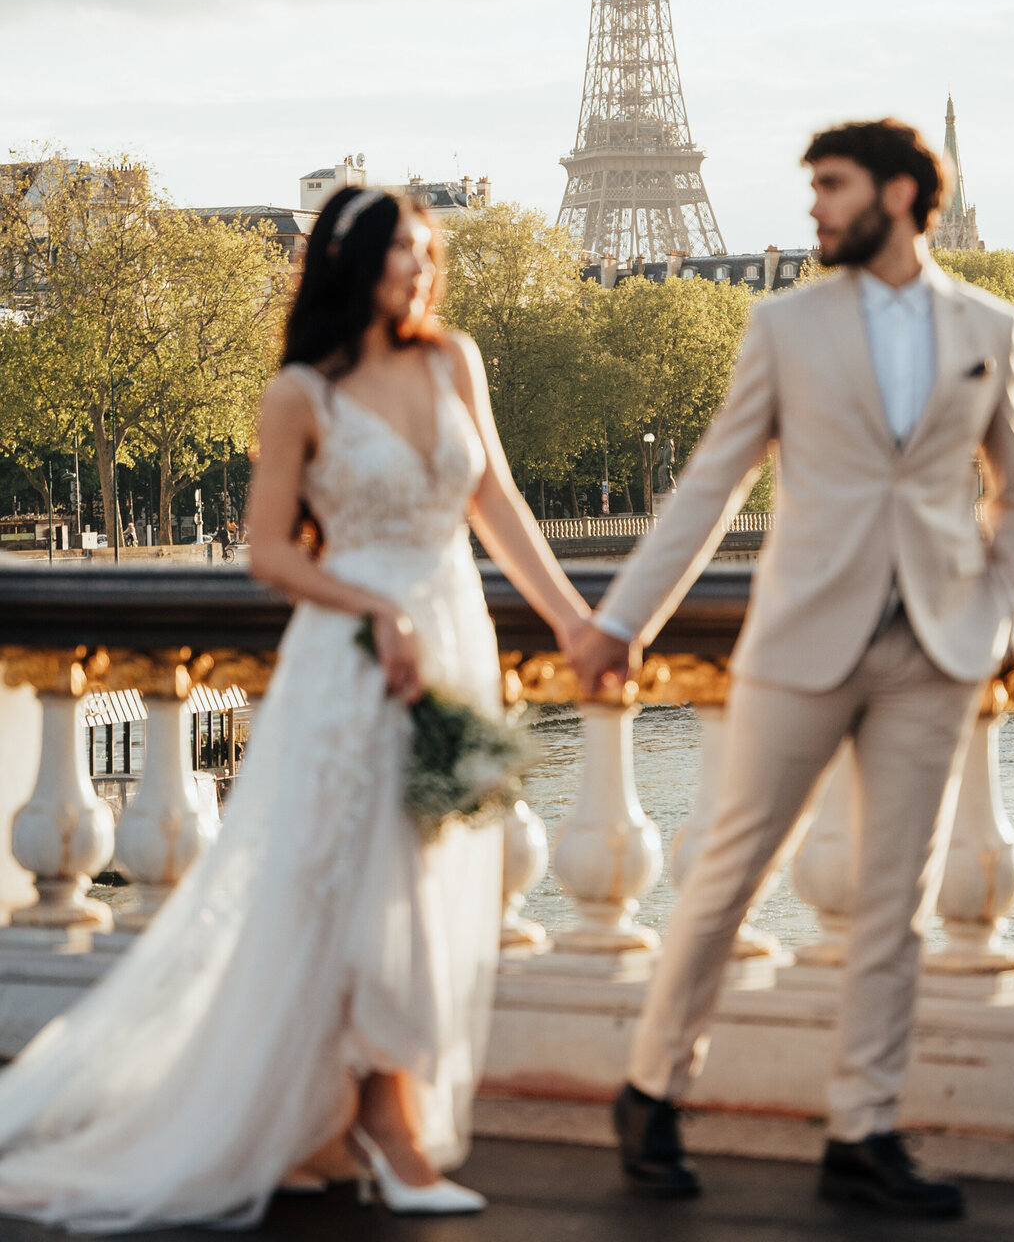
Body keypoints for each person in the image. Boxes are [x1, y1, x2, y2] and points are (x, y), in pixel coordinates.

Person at [0, 186, 592, 1228]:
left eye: (426, 250)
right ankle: (387, 1125)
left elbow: (495, 503)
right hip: (354, 659)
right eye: (400, 252)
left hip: (451, 642)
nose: (420, 267)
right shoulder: (302, 394)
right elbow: (266, 550)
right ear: (350, 265)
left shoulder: (455, 359)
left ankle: (323, 1127)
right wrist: (373, 608)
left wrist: (578, 623)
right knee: (361, 885)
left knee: (432, 871)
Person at [570, 119, 1014, 1220]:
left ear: (897, 193)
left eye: (831, 188)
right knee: (724, 878)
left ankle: (863, 1128)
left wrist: (1001, 624)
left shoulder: (992, 324)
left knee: (898, 904)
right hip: (801, 639)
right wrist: (623, 619)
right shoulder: (782, 323)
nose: (815, 208)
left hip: (932, 649)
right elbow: (712, 484)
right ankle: (652, 1091)